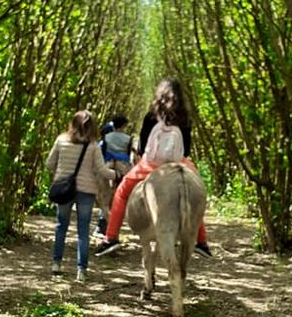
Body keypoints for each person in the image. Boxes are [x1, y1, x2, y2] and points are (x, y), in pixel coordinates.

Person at [95, 79, 212, 257]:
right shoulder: (185, 118)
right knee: (195, 194)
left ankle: (110, 237)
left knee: (121, 192)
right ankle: (201, 241)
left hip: (151, 164)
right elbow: (186, 149)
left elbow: (142, 147)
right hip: (179, 163)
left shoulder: (151, 116)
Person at [46, 110, 116, 281]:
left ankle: (56, 265)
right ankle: (81, 271)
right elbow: (101, 170)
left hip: (64, 190)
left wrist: (61, 175)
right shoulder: (92, 146)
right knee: (83, 231)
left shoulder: (61, 140)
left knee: (61, 226)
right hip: (86, 191)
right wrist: (118, 175)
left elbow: (49, 163)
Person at [95, 115, 133, 235]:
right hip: (123, 167)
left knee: (104, 193)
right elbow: (128, 153)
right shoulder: (128, 138)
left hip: (108, 165)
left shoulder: (106, 137)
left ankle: (104, 222)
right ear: (123, 125)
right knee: (122, 194)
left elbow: (103, 151)